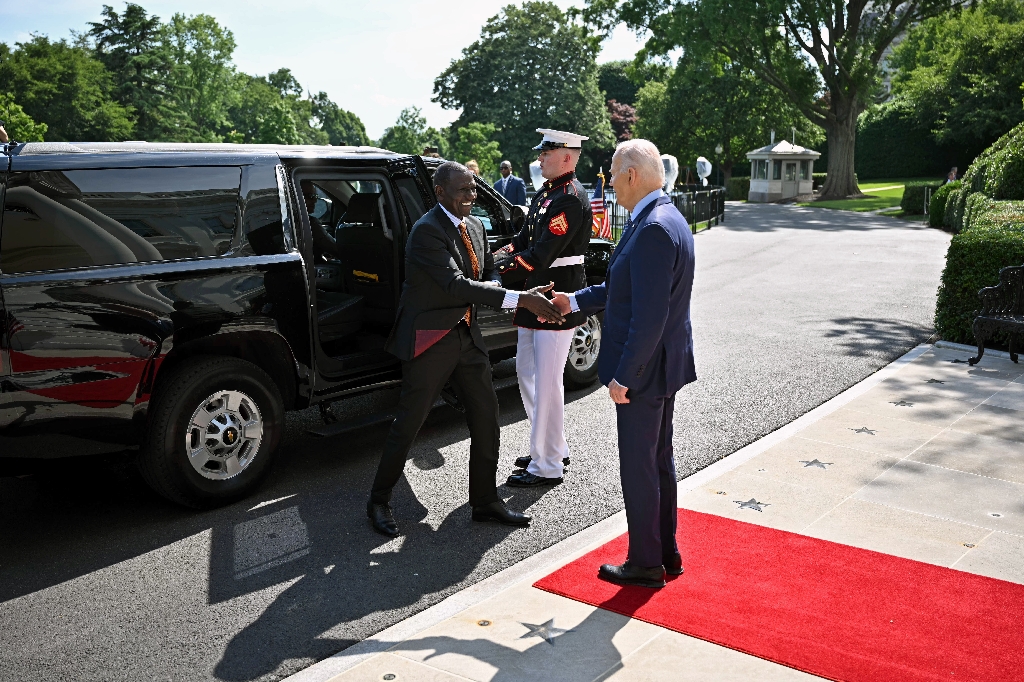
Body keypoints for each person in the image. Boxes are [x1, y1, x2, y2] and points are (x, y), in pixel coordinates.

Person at [367, 161, 566, 538]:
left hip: (466, 336)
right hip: (429, 337)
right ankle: (378, 500)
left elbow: (487, 272)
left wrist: (506, 288)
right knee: (409, 423)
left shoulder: (474, 225)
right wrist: (519, 299)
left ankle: (485, 501)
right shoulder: (426, 232)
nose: (471, 197)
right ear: (440, 192)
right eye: (463, 191)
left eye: (474, 189)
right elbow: (455, 285)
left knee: (487, 417)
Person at [553, 139, 696, 589]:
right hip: (662, 367)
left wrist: (623, 377)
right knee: (657, 463)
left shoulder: (653, 228)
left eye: (613, 174)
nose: (609, 183)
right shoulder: (666, 217)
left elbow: (648, 318)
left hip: (645, 372)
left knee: (640, 467)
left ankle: (644, 562)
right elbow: (625, 291)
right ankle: (665, 552)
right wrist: (573, 299)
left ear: (632, 174)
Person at [493, 129, 593, 488]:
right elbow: (522, 242)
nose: (539, 158)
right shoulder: (547, 194)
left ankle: (547, 464)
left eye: (546, 153)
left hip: (556, 298)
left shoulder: (569, 198)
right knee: (528, 374)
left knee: (548, 381)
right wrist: (499, 254)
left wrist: (496, 270)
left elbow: (539, 256)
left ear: (566, 156)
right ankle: (548, 446)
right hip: (535, 295)